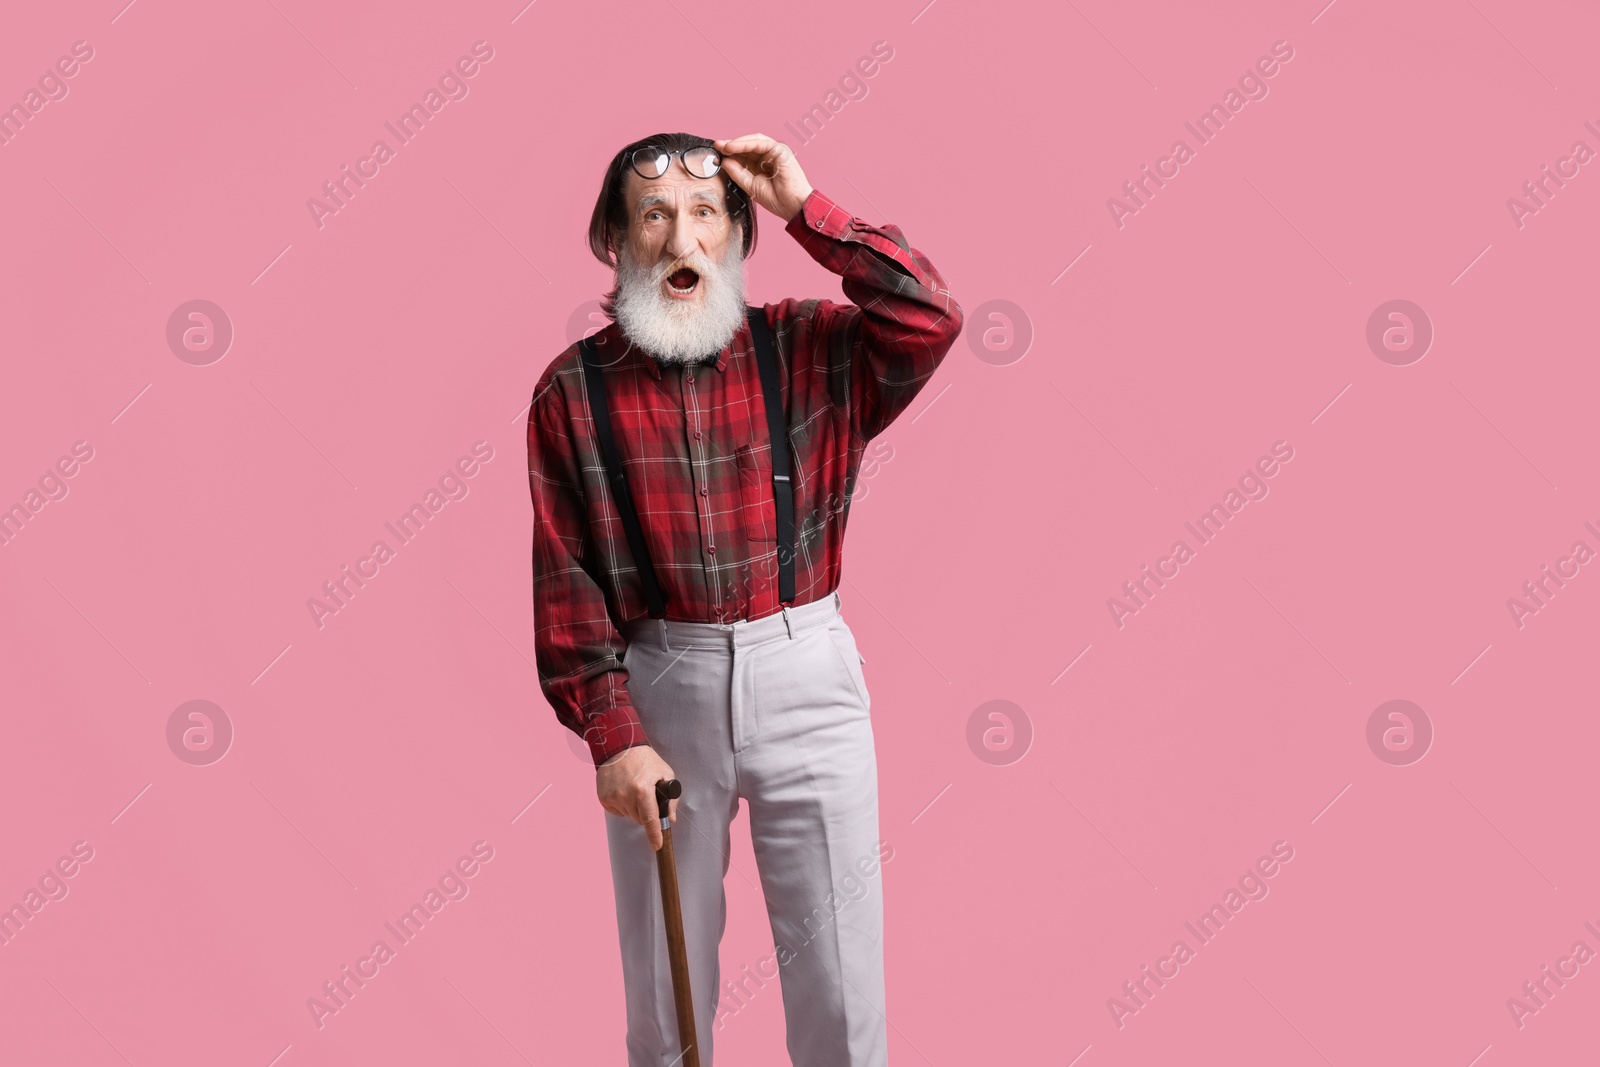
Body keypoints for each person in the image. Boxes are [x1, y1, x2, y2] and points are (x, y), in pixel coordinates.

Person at [526, 130, 962, 1066]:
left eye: (704, 213)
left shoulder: (812, 347)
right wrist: (614, 737)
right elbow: (570, 589)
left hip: (809, 672)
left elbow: (928, 317)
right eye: (653, 214)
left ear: (736, 235)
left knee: (844, 998)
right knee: (665, 1009)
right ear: (616, 240)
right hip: (661, 690)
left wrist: (808, 207)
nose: (680, 237)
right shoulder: (572, 393)